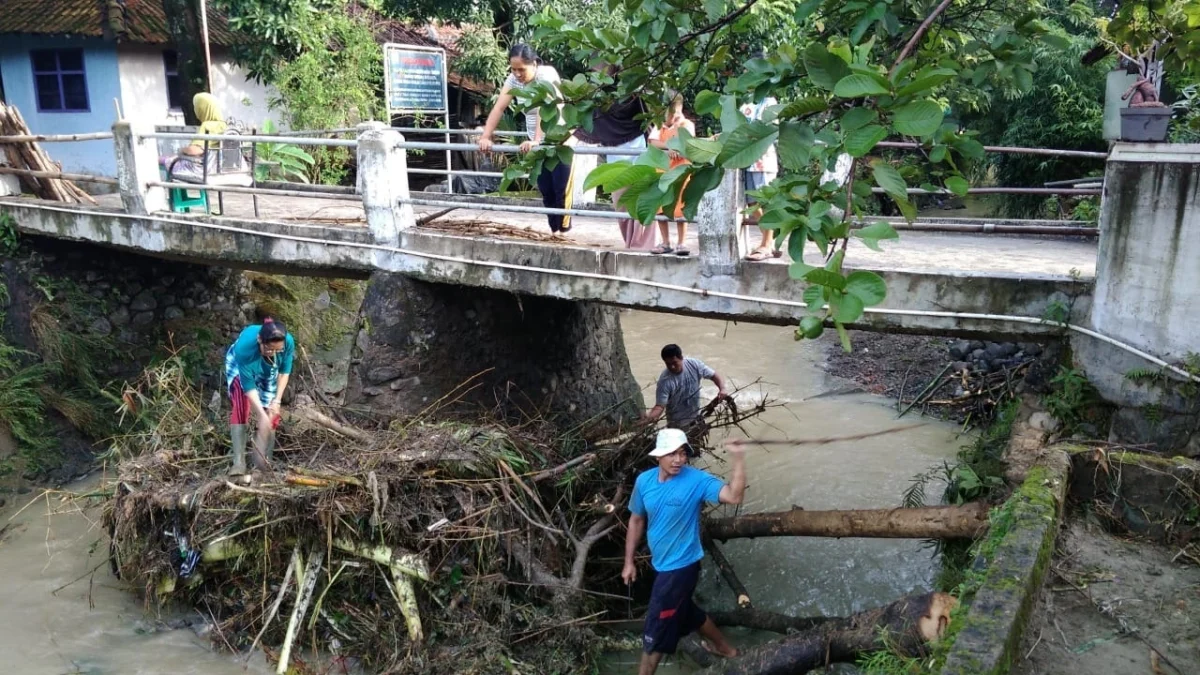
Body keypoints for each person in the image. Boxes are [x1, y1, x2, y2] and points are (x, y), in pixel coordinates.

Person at [623, 428, 745, 673]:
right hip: (660, 565)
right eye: (671, 454)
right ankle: (726, 649)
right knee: (688, 613)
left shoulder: (696, 480)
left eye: (682, 453)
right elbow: (636, 520)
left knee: (654, 632)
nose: (678, 459)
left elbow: (733, 496)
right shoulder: (644, 481)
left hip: (682, 568)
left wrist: (739, 459)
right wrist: (629, 561)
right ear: (658, 456)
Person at [477, 44, 573, 234]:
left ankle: (564, 233)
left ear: (535, 64)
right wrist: (486, 136)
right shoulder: (513, 80)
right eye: (513, 69)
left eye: (522, 69)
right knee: (546, 190)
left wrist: (538, 140)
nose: (517, 73)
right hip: (538, 144)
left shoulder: (545, 74)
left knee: (560, 190)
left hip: (560, 142)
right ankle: (554, 233)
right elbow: (499, 108)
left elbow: (543, 107)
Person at [573, 62, 653, 250]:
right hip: (614, 150)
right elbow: (587, 121)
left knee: (643, 195)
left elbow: (650, 112)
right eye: (594, 69)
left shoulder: (631, 87)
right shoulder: (596, 94)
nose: (597, 71)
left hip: (637, 144)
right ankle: (630, 242)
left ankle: (644, 244)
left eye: (600, 67)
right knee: (620, 201)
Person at [225, 317, 295, 474]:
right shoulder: (244, 350)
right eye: (270, 349)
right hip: (241, 365)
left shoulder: (287, 342)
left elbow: (284, 372)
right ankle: (238, 464)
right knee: (242, 404)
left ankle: (264, 463)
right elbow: (248, 388)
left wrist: (276, 401)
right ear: (259, 340)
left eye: (278, 350)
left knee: (272, 410)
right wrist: (261, 416)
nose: (274, 353)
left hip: (268, 368)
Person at [648, 92, 696, 256]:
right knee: (660, 206)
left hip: (681, 171)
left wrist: (678, 148)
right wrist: (668, 148)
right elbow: (652, 141)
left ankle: (682, 242)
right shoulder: (660, 125)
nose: (671, 116)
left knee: (680, 205)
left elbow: (688, 142)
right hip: (662, 170)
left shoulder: (686, 125)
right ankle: (665, 241)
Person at [643, 344, 729, 429]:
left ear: (681, 358)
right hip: (677, 425)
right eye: (668, 364)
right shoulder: (665, 381)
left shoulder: (694, 365)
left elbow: (714, 375)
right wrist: (649, 418)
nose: (672, 367)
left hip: (696, 418)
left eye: (674, 363)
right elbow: (660, 406)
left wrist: (723, 389)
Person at [741, 92, 782, 262]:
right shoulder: (744, 102)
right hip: (745, 159)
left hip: (762, 159)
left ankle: (766, 244)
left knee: (766, 202)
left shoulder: (769, 101)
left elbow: (770, 129)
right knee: (751, 202)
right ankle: (769, 241)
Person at [162, 92, 228, 182]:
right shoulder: (224, 126)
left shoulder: (207, 126)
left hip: (202, 170)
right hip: (219, 169)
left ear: (203, 108)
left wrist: (182, 150)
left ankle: (171, 193)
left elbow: (196, 150)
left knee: (164, 161)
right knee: (172, 159)